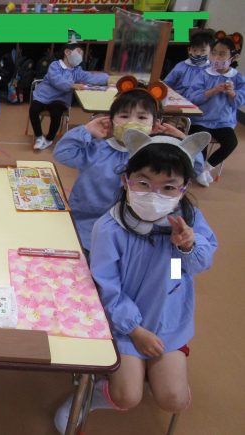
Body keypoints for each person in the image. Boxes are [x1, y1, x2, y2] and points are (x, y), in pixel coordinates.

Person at [54, 130, 217, 434]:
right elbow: (107, 286)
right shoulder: (110, 227)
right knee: (127, 396)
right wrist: (135, 330)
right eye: (144, 183)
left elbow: (193, 268)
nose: (154, 195)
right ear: (125, 180)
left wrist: (187, 247)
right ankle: (93, 393)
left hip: (167, 321)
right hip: (125, 323)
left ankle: (150, 374)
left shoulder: (189, 219)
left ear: (183, 189)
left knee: (174, 398)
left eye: (168, 187)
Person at [53, 76, 203, 256]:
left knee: (129, 260)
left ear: (155, 125)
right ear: (111, 120)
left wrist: (181, 140)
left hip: (133, 230)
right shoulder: (97, 149)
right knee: (87, 262)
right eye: (124, 116)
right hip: (86, 222)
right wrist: (86, 130)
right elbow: (63, 153)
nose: (132, 122)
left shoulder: (154, 157)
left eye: (142, 117)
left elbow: (195, 168)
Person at [30, 37, 108, 150]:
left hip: (60, 100)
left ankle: (49, 139)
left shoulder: (77, 70)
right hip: (43, 96)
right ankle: (39, 137)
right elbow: (56, 80)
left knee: (56, 113)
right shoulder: (55, 65)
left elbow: (90, 77)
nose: (81, 56)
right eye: (79, 52)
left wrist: (107, 78)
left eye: (82, 54)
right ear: (67, 52)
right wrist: (72, 85)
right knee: (33, 109)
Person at [188, 33, 244, 186]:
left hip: (223, 122)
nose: (217, 57)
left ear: (233, 57)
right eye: (214, 53)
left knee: (231, 142)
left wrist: (232, 93)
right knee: (201, 140)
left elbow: (239, 101)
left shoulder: (237, 78)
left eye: (222, 54)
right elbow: (193, 97)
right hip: (200, 119)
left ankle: (206, 168)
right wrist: (212, 91)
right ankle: (199, 169)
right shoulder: (203, 74)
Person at [164, 31, 215, 98]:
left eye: (203, 50)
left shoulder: (212, 69)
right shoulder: (181, 66)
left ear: (211, 51)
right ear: (189, 50)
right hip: (178, 100)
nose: (198, 54)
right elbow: (166, 84)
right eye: (194, 50)